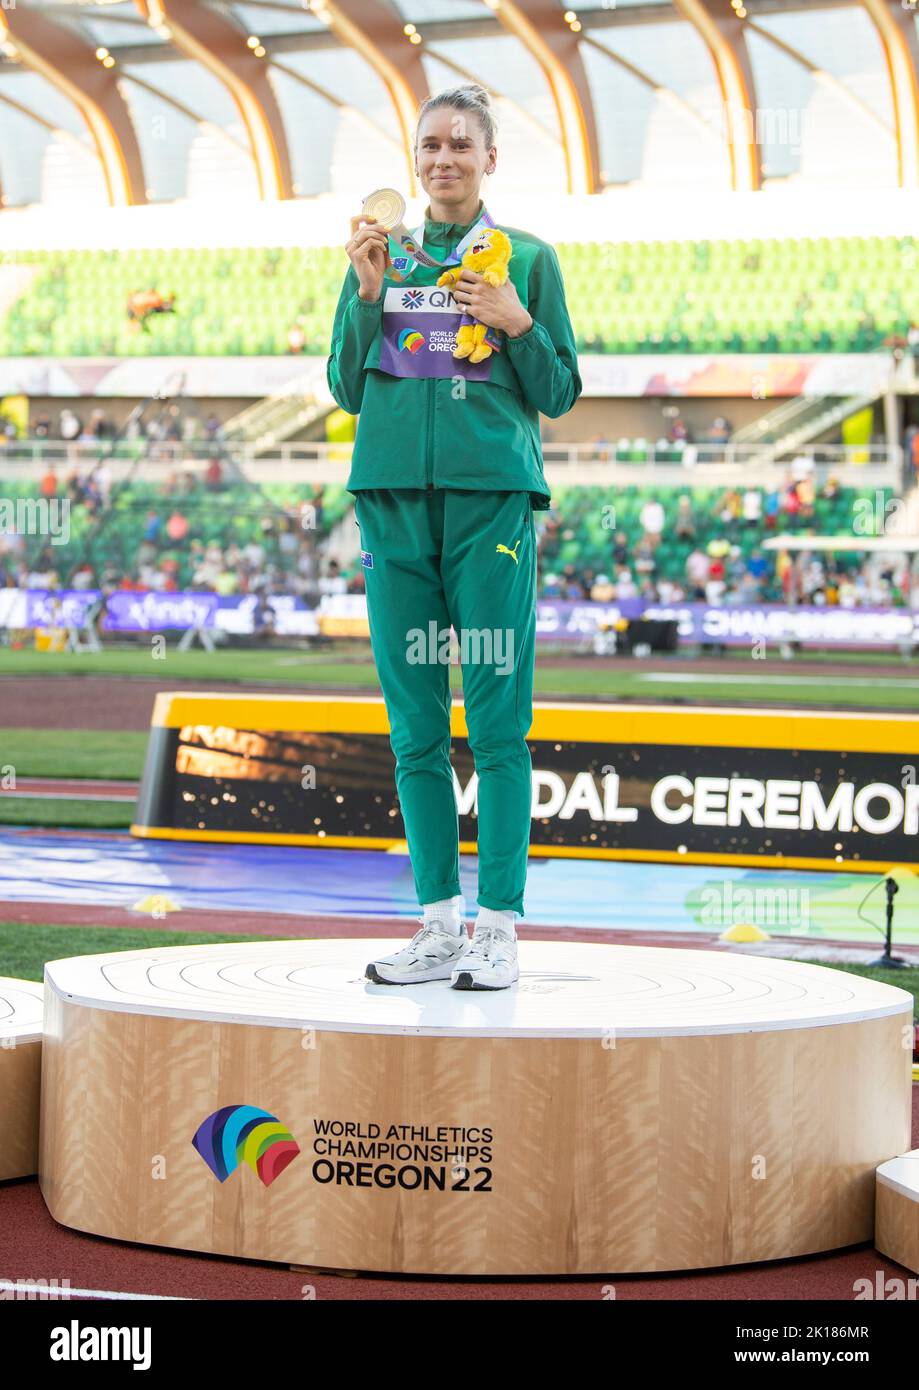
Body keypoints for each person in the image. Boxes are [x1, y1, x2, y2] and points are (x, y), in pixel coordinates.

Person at [327, 83, 581, 990]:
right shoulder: (378, 257)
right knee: (413, 730)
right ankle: (437, 923)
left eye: (459, 146)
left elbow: (557, 392)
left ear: (488, 159)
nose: (442, 159)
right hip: (390, 502)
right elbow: (348, 392)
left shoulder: (531, 260)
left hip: (491, 506)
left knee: (498, 723)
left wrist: (515, 323)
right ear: (415, 157)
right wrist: (364, 297)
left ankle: (498, 926)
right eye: (429, 145)